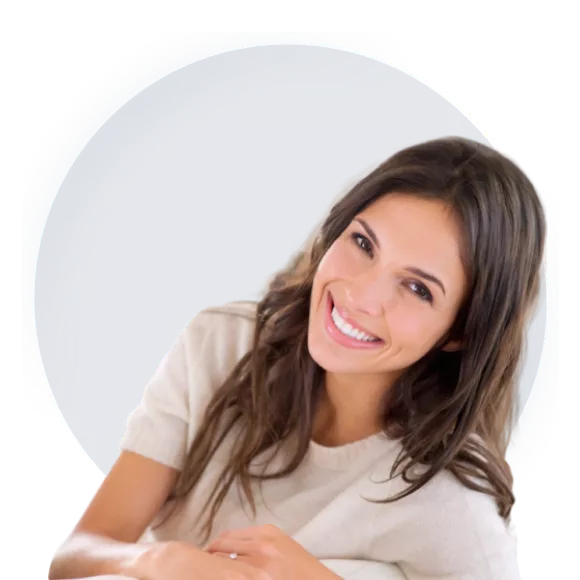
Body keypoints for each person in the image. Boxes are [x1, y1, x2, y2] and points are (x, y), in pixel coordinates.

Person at [47, 134, 546, 580]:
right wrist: (156, 560)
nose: (360, 296)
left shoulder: (450, 499)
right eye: (363, 243)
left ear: (458, 331)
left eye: (417, 288)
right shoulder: (222, 346)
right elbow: (75, 557)